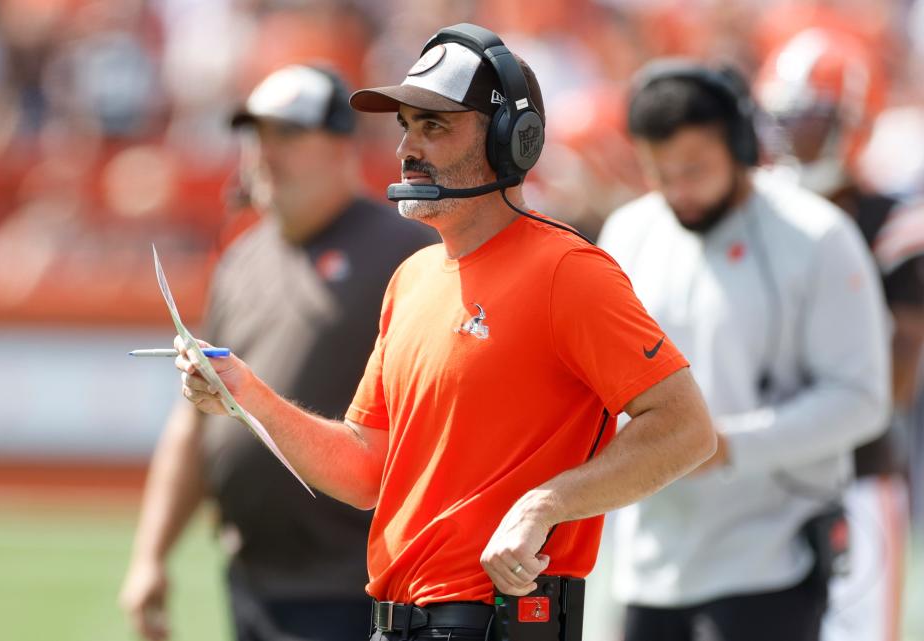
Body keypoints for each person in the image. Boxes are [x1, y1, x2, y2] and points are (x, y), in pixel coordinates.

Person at [172, 23, 717, 641]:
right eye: (406, 125)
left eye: (435, 125)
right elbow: (366, 471)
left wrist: (547, 504)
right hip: (393, 623)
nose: (409, 145)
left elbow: (684, 427)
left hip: (495, 621)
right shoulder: (412, 278)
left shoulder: (568, 271)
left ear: (516, 139)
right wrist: (248, 396)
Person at [119, 65, 436, 641]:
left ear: (342, 144)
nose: (264, 153)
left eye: (287, 135)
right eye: (256, 135)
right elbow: (193, 425)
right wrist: (150, 555)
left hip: (360, 587)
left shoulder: (408, 251)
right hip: (254, 581)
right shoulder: (242, 257)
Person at [598, 60, 891, 641]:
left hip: (771, 562)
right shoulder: (626, 233)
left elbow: (860, 399)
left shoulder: (818, 235)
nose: (679, 190)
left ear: (742, 144)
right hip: (647, 566)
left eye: (695, 169)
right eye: (660, 173)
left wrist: (725, 446)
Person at [756, 27, 924, 641]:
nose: (791, 134)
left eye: (810, 119)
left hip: (855, 477)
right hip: (760, 480)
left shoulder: (894, 225)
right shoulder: (754, 213)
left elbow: (894, 387)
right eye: (783, 116)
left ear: (855, 119)